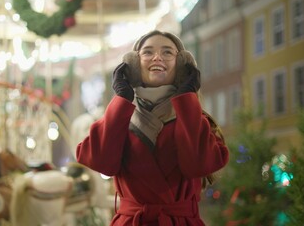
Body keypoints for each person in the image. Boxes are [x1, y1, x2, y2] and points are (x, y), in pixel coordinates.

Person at [75, 30, 229, 226]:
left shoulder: (197, 120)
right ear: (133, 64)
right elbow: (102, 163)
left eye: (167, 52)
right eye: (147, 52)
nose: (157, 57)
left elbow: (197, 165)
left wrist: (187, 99)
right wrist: (122, 98)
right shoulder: (119, 117)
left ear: (182, 65)